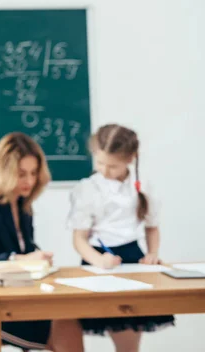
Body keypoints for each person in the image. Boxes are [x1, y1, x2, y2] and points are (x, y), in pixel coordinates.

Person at [0, 132, 84, 351]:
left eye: (34, 173)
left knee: (67, 318)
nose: (29, 181)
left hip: (14, 301)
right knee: (63, 324)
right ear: (4, 172)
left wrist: (38, 259)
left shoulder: (23, 206)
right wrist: (19, 259)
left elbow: (25, 251)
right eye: (21, 174)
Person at [69, 123, 174, 352]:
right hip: (98, 261)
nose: (105, 171)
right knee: (90, 323)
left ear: (130, 159)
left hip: (132, 259)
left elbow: (152, 227)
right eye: (100, 163)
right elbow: (79, 239)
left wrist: (152, 254)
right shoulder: (88, 188)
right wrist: (99, 260)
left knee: (128, 333)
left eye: (113, 166)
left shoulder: (142, 186)